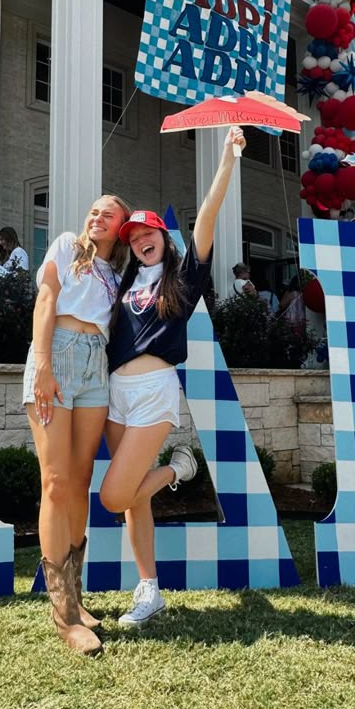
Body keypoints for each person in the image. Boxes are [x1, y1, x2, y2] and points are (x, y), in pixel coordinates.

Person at [100, 126, 245, 628]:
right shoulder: (119, 284)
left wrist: (227, 160)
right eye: (134, 237)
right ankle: (149, 590)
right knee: (132, 501)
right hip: (114, 393)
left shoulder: (181, 280)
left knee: (116, 494)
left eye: (148, 233)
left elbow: (206, 218)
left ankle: (179, 470)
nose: (141, 241)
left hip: (154, 393)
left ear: (164, 236)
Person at [24, 194, 130, 655]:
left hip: (96, 365)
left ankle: (77, 598)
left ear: (122, 227)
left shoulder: (115, 275)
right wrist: (43, 363)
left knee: (82, 479)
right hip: (59, 357)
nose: (97, 217)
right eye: (93, 210)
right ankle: (64, 613)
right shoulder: (67, 245)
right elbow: (46, 299)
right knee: (55, 481)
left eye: (109, 213)